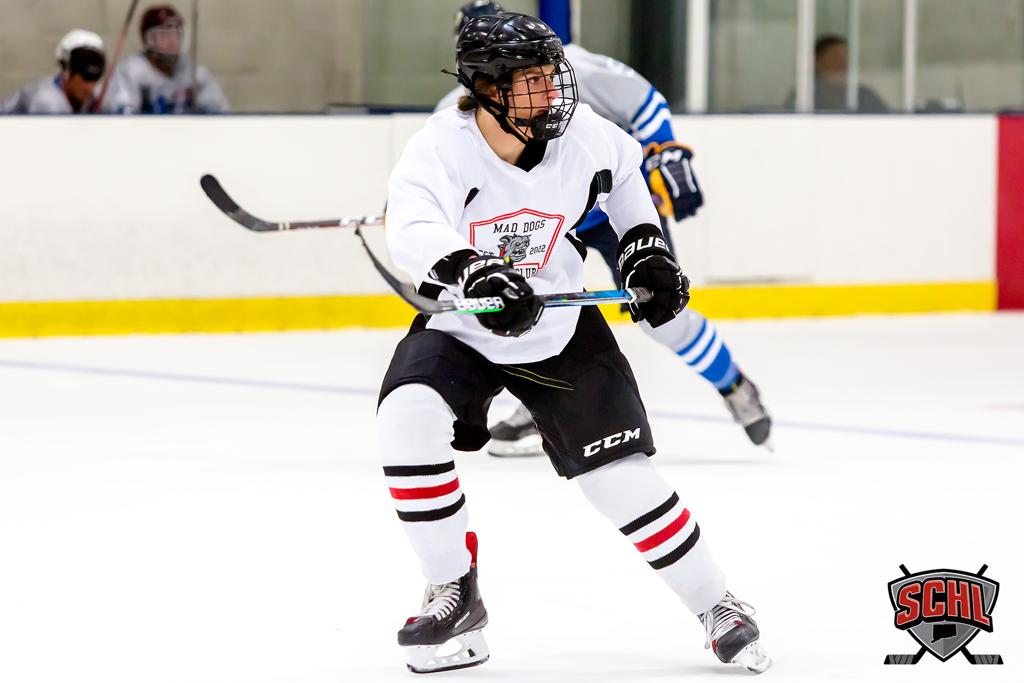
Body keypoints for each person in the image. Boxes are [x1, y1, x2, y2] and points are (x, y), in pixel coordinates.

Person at [378, 12, 770, 675]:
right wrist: (475, 271)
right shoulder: (437, 147)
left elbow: (627, 181)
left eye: (550, 75)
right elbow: (413, 228)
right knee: (405, 420)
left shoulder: (585, 135)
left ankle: (717, 605)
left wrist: (646, 251)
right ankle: (454, 591)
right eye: (532, 80)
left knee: (618, 478)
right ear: (487, 87)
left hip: (557, 328)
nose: (553, 91)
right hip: (465, 326)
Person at [440, 1, 772, 458]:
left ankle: (732, 382)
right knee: (522, 306)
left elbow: (644, 103)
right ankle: (540, 401)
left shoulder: (572, 69)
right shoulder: (455, 112)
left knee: (662, 313)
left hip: (608, 206)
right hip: (540, 221)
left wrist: (663, 149)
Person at [104, 4, 228, 114]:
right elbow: (123, 119)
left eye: (176, 34)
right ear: (147, 39)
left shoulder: (195, 75)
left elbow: (219, 114)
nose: (172, 41)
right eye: (163, 34)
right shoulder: (130, 72)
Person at [1, 30, 106, 114]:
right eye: (85, 79)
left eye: (95, 79)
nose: (89, 87)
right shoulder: (45, 101)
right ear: (66, 73)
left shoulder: (94, 97)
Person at [785, 34, 888, 113]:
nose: (843, 62)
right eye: (835, 57)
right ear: (816, 61)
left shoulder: (863, 95)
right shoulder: (805, 94)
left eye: (846, 57)